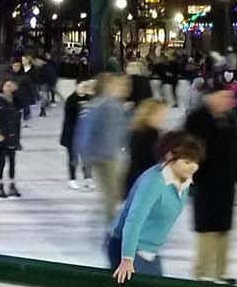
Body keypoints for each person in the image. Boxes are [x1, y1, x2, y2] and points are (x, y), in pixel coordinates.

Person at [108, 133, 207, 281]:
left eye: (195, 162)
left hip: (150, 250)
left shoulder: (184, 181)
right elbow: (134, 220)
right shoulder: (154, 182)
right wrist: (127, 260)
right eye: (187, 162)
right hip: (128, 249)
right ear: (169, 156)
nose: (193, 167)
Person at [184, 83, 237, 282]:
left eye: (230, 98)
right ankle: (202, 271)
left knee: (224, 228)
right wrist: (190, 178)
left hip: (226, 183)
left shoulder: (231, 120)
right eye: (224, 96)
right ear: (210, 97)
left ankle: (221, 272)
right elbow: (188, 151)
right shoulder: (196, 119)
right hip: (204, 183)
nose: (229, 101)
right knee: (206, 229)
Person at [75, 73, 131, 221]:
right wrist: (84, 155)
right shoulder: (100, 106)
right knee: (112, 193)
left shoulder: (115, 105)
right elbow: (87, 130)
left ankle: (112, 221)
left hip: (113, 154)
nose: (123, 88)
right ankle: (112, 226)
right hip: (104, 156)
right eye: (118, 85)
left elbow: (122, 130)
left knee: (114, 192)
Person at [123, 97, 169, 196]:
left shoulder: (140, 130)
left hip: (140, 179)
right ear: (149, 115)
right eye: (160, 114)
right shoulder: (147, 134)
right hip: (142, 180)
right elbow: (147, 158)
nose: (163, 118)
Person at [0, 75, 25, 198]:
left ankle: (12, 185)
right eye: (6, 85)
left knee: (12, 162)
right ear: (2, 86)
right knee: (2, 161)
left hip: (13, 135)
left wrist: (18, 138)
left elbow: (19, 117)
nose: (8, 88)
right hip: (1, 135)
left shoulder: (16, 100)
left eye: (11, 86)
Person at [60, 77, 91, 188]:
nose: (83, 89)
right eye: (82, 86)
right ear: (76, 86)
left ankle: (88, 178)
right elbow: (69, 120)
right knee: (73, 158)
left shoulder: (90, 98)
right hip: (73, 134)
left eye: (85, 87)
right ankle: (72, 179)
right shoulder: (71, 100)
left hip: (86, 134)